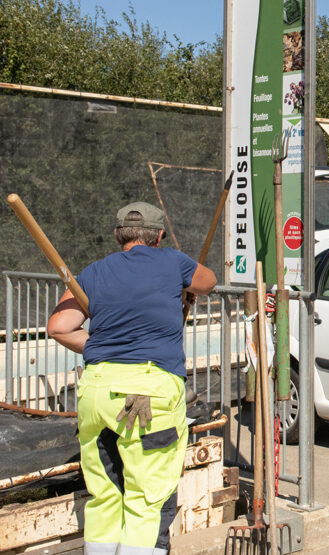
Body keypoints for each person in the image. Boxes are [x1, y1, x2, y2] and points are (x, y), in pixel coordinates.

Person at [47, 202, 216, 555]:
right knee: (148, 499)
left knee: (104, 495)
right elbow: (209, 281)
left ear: (117, 235)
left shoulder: (94, 272)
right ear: (158, 236)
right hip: (147, 392)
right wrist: (186, 289)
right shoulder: (172, 261)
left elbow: (59, 327)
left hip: (96, 393)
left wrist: (103, 345)